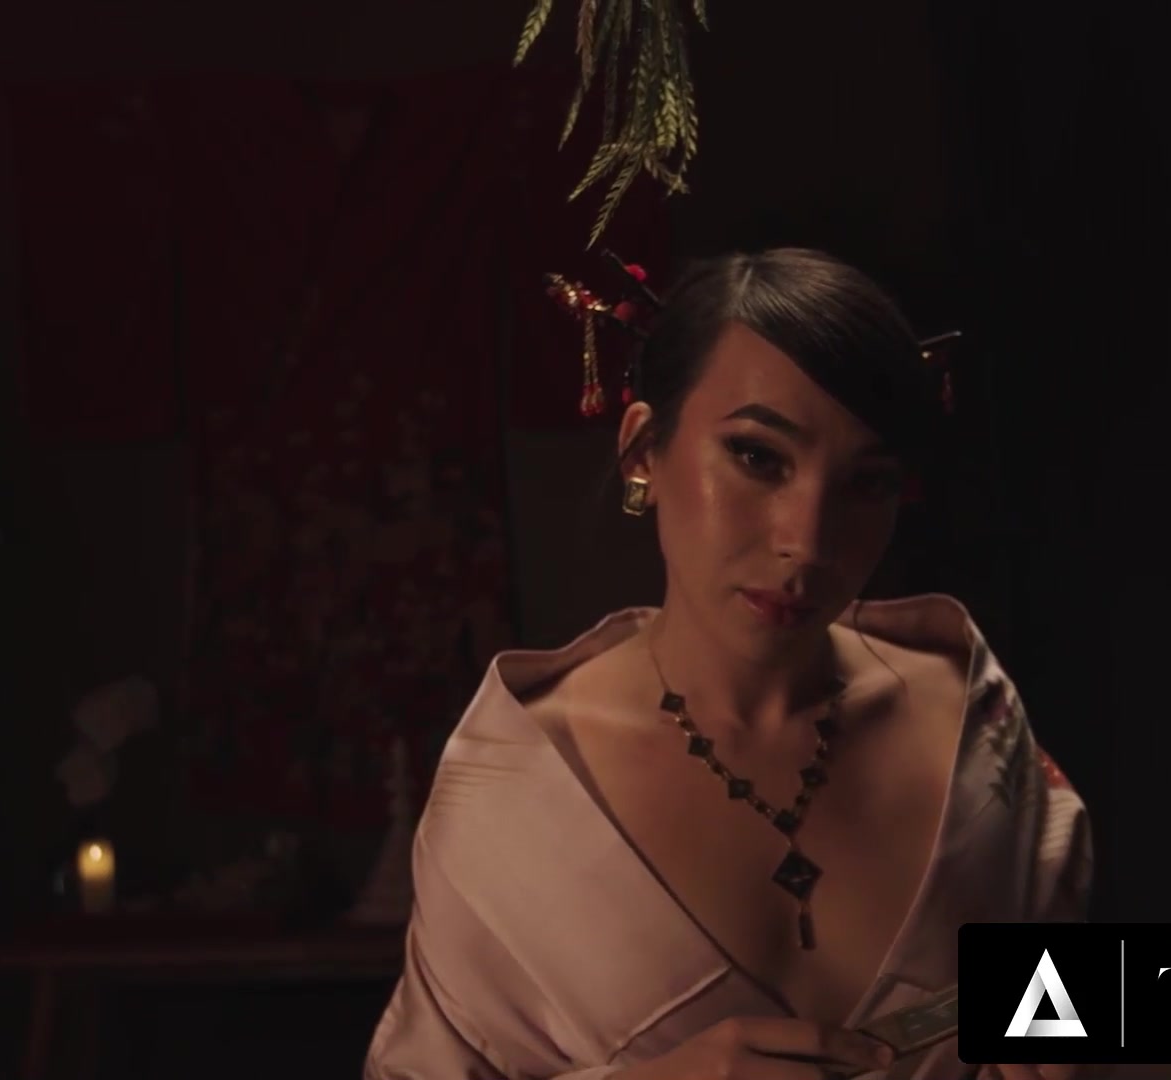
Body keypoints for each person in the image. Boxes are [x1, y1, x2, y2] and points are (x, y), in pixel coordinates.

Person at [364, 249, 1095, 1080]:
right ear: (644, 450)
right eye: (757, 457)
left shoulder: (972, 726)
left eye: (867, 483)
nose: (807, 541)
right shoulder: (517, 782)